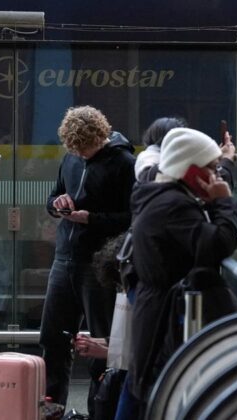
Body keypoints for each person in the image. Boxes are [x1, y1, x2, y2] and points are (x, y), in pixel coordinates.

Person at [123, 127, 237, 416]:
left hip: (160, 313)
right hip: (167, 321)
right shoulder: (173, 205)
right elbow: (218, 243)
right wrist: (223, 202)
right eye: (211, 168)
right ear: (191, 171)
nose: (216, 175)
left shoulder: (160, 194)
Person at [41, 105, 136, 413]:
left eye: (85, 148)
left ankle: (101, 410)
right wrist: (57, 204)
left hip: (99, 265)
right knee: (53, 339)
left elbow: (133, 218)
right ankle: (52, 409)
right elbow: (52, 196)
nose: (81, 154)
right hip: (64, 258)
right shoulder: (70, 157)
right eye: (75, 149)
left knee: (101, 344)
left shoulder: (125, 163)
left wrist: (91, 219)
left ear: (101, 136)